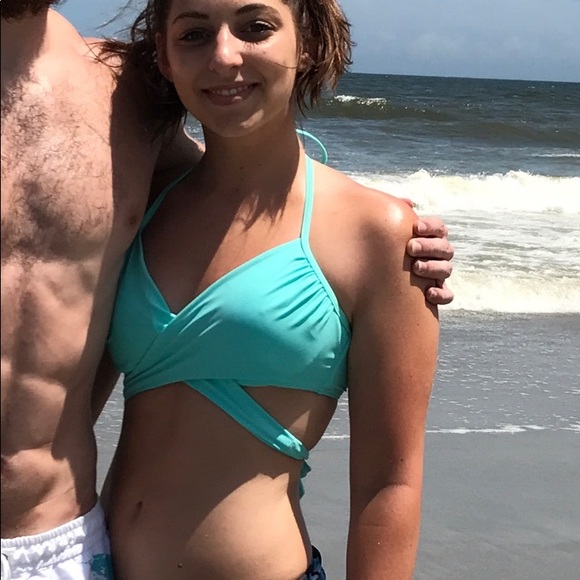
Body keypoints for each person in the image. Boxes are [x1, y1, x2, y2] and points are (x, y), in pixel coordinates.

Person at [1, 1, 452, 579]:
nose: (224, 55)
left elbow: (390, 483)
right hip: (99, 561)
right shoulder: (156, 205)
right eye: (193, 34)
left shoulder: (381, 234)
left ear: (309, 41)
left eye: (256, 27)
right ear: (163, 57)